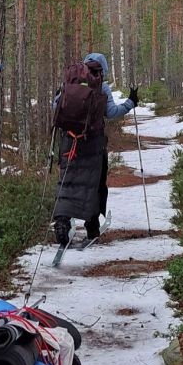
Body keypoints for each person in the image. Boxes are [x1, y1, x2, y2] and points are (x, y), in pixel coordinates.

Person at [52, 52, 138, 245]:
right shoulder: (102, 86)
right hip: (93, 142)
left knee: (67, 182)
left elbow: (54, 106)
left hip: (69, 142)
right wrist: (130, 102)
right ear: (102, 69)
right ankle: (92, 226)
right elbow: (112, 113)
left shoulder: (70, 84)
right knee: (94, 184)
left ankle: (62, 222)